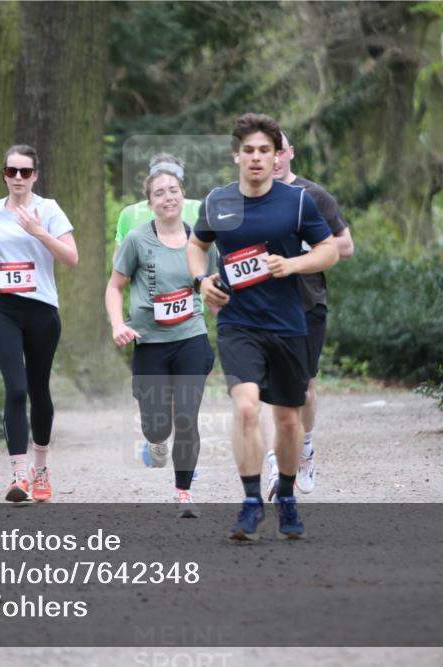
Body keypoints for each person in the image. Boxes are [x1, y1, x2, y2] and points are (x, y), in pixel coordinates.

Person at [187, 113, 338, 540]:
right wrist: (202, 282)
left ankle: (286, 497)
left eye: (264, 151)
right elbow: (197, 247)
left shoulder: (297, 202)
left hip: (288, 324)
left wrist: (293, 264)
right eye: (249, 151)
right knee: (247, 407)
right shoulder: (218, 201)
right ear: (237, 155)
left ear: (276, 157)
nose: (256, 158)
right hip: (238, 323)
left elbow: (329, 251)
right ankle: (251, 502)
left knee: (289, 421)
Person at [105, 167, 216, 518]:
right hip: (149, 342)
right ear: (149, 202)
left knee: (186, 416)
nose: (168, 197)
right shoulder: (138, 240)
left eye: (173, 190)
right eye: (159, 193)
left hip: (191, 337)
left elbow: (213, 287)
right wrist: (117, 324)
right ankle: (155, 440)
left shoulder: (200, 242)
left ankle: (184, 493)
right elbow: (114, 287)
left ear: (183, 195)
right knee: (158, 425)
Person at [0, 144, 78, 503]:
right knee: (15, 389)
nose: (18, 178)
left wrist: (40, 232)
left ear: (35, 175)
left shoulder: (48, 210)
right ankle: (18, 475)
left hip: (41, 311)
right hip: (0, 307)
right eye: (11, 171)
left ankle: (42, 467)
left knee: (38, 389)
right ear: (4, 174)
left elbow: (71, 259)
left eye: (25, 172)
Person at [260, 131, 354, 499]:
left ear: (290, 153)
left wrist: (299, 253)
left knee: (305, 390)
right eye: (269, 151)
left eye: (280, 150)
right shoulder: (253, 198)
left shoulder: (314, 196)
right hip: (265, 306)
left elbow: (345, 245)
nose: (276, 158)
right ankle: (273, 465)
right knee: (271, 393)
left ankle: (306, 449)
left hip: (307, 305)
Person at [113, 154, 201, 258]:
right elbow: (119, 260)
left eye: (172, 188)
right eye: (160, 176)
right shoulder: (129, 214)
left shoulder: (200, 210)